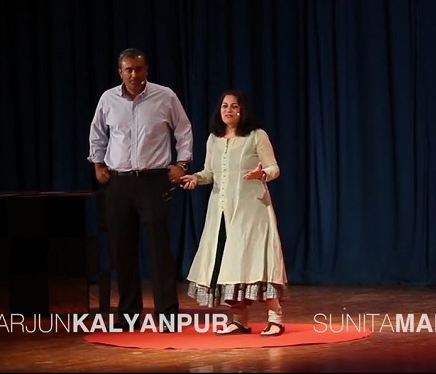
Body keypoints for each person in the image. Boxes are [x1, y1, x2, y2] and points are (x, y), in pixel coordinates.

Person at [87, 47, 193, 331]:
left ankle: (167, 315)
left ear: (146, 70)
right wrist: (98, 164)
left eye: (139, 69)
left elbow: (183, 130)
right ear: (120, 72)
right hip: (119, 181)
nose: (134, 74)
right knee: (122, 249)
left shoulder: (165, 96)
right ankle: (128, 314)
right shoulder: (108, 99)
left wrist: (182, 163)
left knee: (159, 249)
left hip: (153, 180)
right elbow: (98, 132)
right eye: (128, 70)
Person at [180, 89, 288, 336]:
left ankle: (275, 318)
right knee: (227, 264)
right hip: (221, 213)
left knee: (256, 263)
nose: (228, 110)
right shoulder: (214, 139)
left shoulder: (256, 136)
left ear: (242, 110)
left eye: (234, 106)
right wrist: (195, 178)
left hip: (252, 211)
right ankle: (239, 320)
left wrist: (262, 173)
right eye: (224, 106)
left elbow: (274, 168)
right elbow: (210, 172)